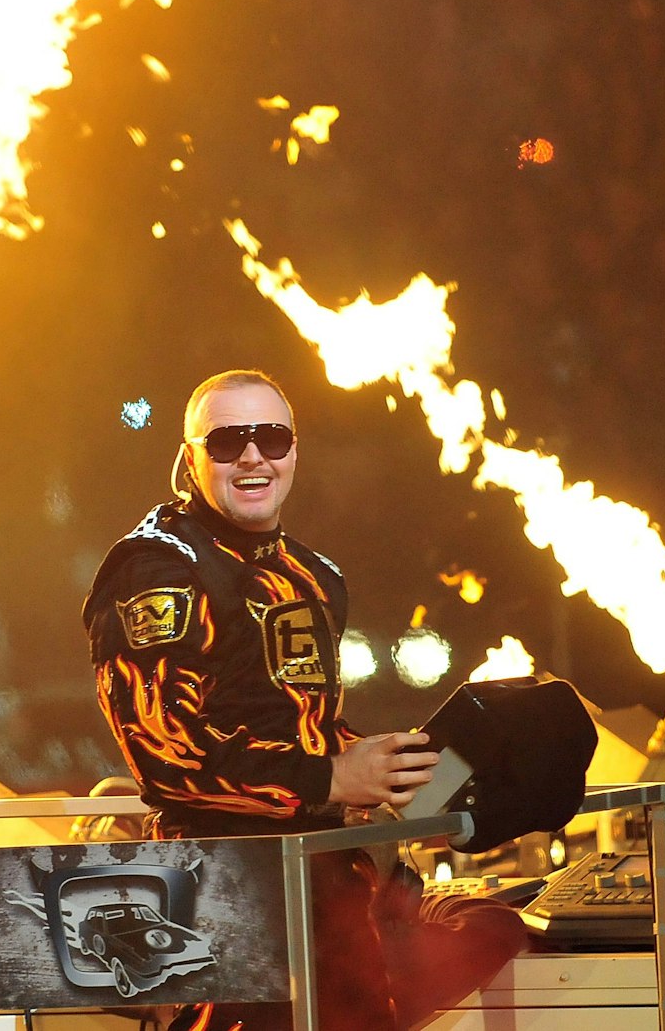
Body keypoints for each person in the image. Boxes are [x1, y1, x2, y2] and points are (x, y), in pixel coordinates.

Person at [84, 370, 520, 1030]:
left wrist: (385, 770)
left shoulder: (313, 576)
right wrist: (331, 775)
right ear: (190, 458)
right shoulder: (157, 567)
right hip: (221, 894)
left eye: (272, 436)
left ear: (294, 452)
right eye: (229, 440)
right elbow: (165, 750)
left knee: (498, 927)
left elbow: (307, 724)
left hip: (327, 893)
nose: (254, 455)